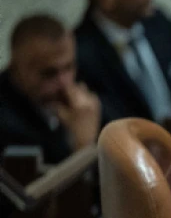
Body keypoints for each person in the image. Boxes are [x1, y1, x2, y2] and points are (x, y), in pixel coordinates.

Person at [0, 14, 101, 164]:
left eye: (69, 67)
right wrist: (83, 146)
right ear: (16, 70)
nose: (65, 83)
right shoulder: (7, 126)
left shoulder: (84, 82)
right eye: (49, 73)